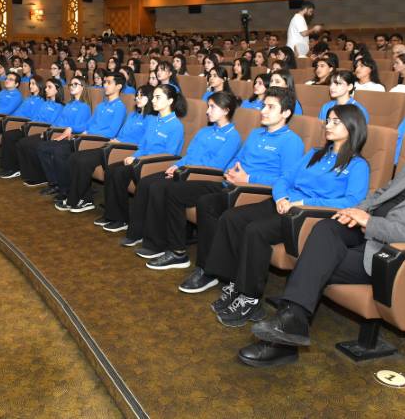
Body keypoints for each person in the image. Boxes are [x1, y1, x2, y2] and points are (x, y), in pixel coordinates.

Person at [240, 114, 405, 368]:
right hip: (365, 229)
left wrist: (371, 223)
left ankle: (284, 339)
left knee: (315, 260)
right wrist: (355, 211)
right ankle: (291, 325)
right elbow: (379, 196)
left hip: (394, 254)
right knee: (326, 227)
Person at [204, 104, 369, 329]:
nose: (328, 125)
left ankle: (250, 298)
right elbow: (284, 178)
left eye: (335, 122)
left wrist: (302, 203)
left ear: (352, 127)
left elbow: (351, 202)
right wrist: (281, 197)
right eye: (328, 120)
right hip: (284, 203)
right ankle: (235, 282)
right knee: (232, 218)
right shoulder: (315, 154)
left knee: (256, 231)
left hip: (306, 215)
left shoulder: (358, 165)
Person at [170, 88, 305, 292]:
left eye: (271, 107)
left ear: (286, 113)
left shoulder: (292, 142)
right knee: (194, 197)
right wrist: (231, 170)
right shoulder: (256, 133)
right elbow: (238, 158)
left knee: (209, 204)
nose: (263, 111)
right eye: (263, 106)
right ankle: (202, 265)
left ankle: (210, 271)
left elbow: (285, 180)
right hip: (233, 184)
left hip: (257, 191)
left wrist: (248, 178)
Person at [121, 91, 242, 267]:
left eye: (212, 107)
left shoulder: (232, 136)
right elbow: (188, 155)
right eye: (208, 106)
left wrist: (184, 170)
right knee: (147, 182)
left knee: (160, 188)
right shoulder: (205, 131)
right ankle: (147, 237)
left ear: (226, 110)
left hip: (202, 177)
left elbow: (216, 165)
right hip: (185, 171)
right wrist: (176, 166)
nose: (207, 111)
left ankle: (160, 244)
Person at [96, 85, 187, 232]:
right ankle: (113, 215)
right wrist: (134, 156)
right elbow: (143, 145)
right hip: (141, 161)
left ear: (170, 101)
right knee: (112, 170)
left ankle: (121, 220)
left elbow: (170, 155)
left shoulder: (176, 126)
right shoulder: (153, 121)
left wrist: (141, 160)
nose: (153, 100)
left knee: (119, 173)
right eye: (153, 97)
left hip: (155, 164)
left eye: (158, 97)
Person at [23, 71, 127, 196]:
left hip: (96, 141)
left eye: (109, 83)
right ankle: (55, 183)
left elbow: (111, 132)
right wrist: (73, 128)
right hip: (85, 137)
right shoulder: (101, 105)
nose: (105, 85)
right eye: (105, 82)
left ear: (118, 86)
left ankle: (65, 189)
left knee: (59, 151)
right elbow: (88, 124)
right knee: (42, 147)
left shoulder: (120, 107)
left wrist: (87, 132)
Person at [60, 85, 155, 212]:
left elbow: (143, 142)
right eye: (137, 95)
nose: (137, 98)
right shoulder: (132, 115)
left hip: (126, 150)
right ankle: (84, 199)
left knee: (83, 161)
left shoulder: (151, 119)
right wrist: (116, 140)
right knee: (75, 157)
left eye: (141, 96)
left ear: (150, 98)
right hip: (114, 146)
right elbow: (121, 133)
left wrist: (120, 141)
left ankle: (74, 200)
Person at [16, 77, 93, 186]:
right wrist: (49, 130)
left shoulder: (84, 107)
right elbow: (58, 121)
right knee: (25, 142)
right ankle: (50, 180)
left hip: (67, 137)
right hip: (56, 133)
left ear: (83, 87)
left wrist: (58, 131)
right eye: (71, 84)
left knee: (43, 147)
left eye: (75, 84)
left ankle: (54, 182)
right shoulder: (69, 104)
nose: (72, 86)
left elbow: (76, 127)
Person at [0, 78, 65, 179]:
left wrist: (33, 128)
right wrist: (26, 126)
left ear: (57, 90)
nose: (46, 89)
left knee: (21, 141)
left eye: (49, 87)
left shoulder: (60, 107)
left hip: (41, 130)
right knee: (8, 135)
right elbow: (35, 117)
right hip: (31, 128)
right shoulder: (45, 103)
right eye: (46, 87)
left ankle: (22, 170)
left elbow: (53, 123)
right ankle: (10, 167)